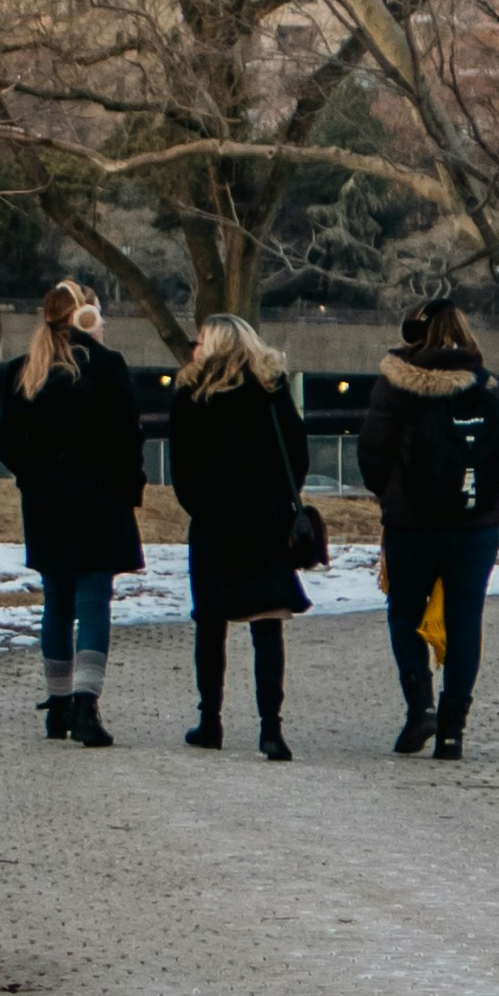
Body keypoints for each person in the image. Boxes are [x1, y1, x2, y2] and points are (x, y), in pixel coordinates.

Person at [357, 297, 499, 761]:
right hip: (476, 525)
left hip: (412, 524)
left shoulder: (396, 384)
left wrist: (391, 495)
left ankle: (420, 707)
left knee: (405, 612)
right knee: (466, 620)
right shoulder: (489, 384)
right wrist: (483, 498)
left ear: (412, 333)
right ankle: (453, 730)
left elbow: (373, 452)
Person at [0, 279, 144, 745]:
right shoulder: (105, 366)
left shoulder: (22, 371)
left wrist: (32, 479)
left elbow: (7, 443)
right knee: (94, 598)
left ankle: (57, 705)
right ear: (87, 316)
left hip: (46, 503)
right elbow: (128, 436)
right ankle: (86, 706)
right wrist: (129, 490)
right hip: (100, 500)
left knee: (56, 600)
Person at [164, 313, 316, 757]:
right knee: (268, 624)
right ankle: (271, 727)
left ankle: (209, 720)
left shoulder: (192, 395)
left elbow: (182, 470)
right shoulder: (271, 390)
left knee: (210, 623)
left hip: (214, 522)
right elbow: (298, 454)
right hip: (266, 519)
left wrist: (203, 506)